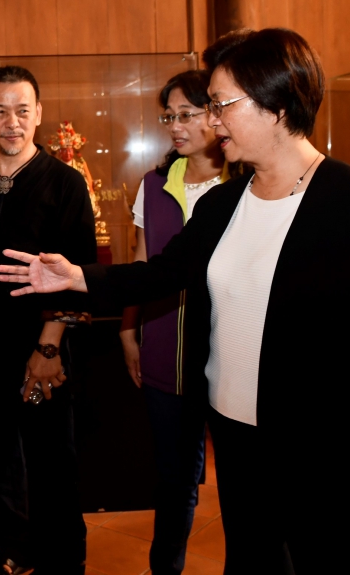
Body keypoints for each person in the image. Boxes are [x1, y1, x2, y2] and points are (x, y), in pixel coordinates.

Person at [0, 28, 350, 574]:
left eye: (222, 105)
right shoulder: (223, 203)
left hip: (318, 443)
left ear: (275, 104)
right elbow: (161, 273)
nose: (212, 121)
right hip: (234, 435)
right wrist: (78, 277)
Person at [0, 66, 97, 575]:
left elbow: (78, 272)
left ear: (39, 114)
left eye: (23, 111)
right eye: (1, 111)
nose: (12, 122)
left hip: (39, 340)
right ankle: (13, 548)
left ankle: (63, 558)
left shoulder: (65, 183)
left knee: (51, 455)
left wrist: (48, 348)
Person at [119, 69, 227, 575]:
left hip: (230, 355)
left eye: (187, 114)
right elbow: (142, 264)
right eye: (169, 116)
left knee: (246, 484)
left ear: (215, 114)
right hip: (165, 349)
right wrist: (128, 330)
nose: (176, 126)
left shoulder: (244, 185)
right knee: (174, 480)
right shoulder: (155, 184)